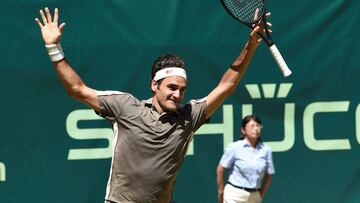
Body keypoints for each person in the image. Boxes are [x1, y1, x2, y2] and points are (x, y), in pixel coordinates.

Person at [35, 7, 269, 203]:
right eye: (171, 87)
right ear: (154, 85)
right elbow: (76, 89)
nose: (177, 94)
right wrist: (54, 48)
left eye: (182, 89)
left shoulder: (189, 117)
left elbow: (227, 84)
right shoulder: (125, 106)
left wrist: (252, 44)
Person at [216, 115, 275, 203]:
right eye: (252, 126)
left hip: (254, 197)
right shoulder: (234, 147)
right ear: (243, 130)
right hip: (234, 196)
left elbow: (269, 174)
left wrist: (260, 194)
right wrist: (221, 192)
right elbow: (220, 170)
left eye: (258, 125)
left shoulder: (266, 150)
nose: (256, 128)